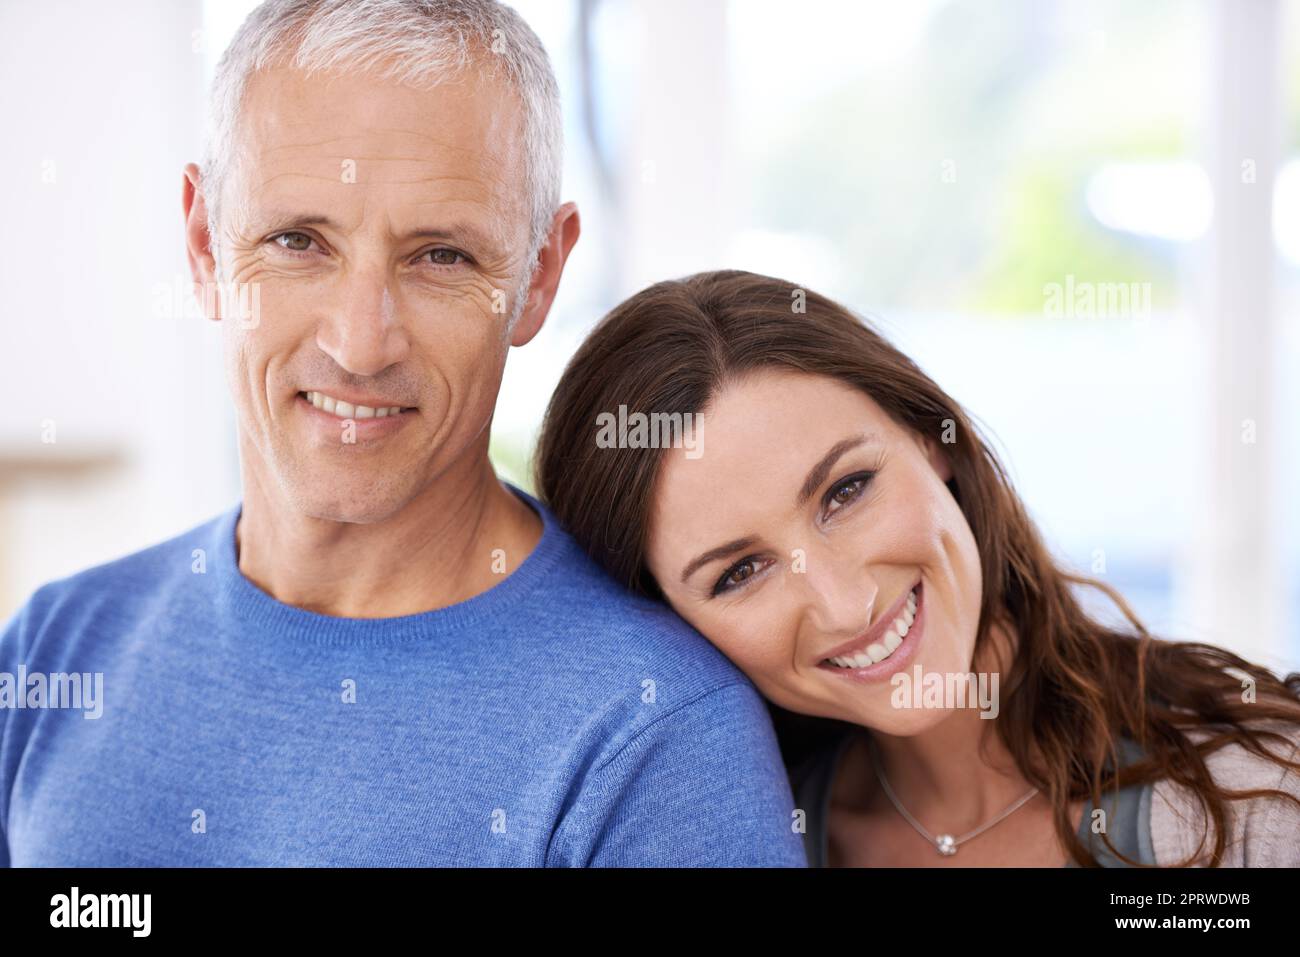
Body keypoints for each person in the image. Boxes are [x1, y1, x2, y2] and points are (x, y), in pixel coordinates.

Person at [0, 2, 806, 867]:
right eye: (297, 240)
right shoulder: (57, 648)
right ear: (204, 246)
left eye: (441, 257)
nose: (359, 342)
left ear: (538, 277)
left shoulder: (656, 736)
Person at [534, 269, 1300, 867]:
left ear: (932, 439)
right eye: (739, 572)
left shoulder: (1253, 804)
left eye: (846, 491)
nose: (844, 603)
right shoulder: (752, 844)